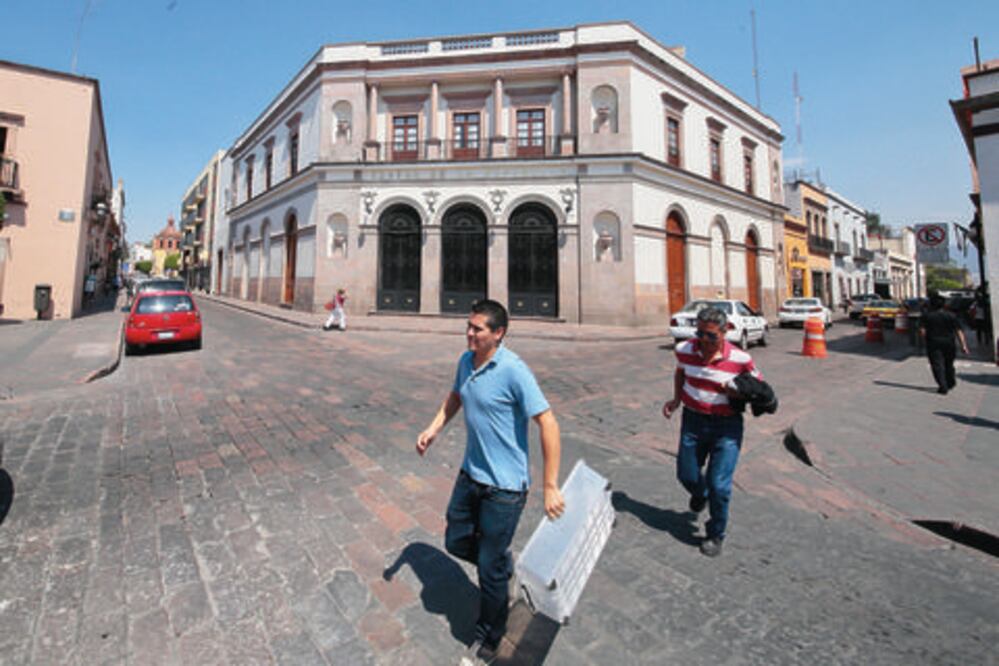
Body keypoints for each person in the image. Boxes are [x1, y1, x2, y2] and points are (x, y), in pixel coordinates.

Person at [416, 299, 565, 660]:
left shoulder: (514, 370)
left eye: (477, 329)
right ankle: (500, 565)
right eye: (468, 326)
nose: (469, 333)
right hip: (471, 476)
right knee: (455, 540)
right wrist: (434, 427)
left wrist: (550, 485)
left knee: (489, 568)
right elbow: (456, 396)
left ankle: (490, 633)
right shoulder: (466, 361)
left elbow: (547, 422)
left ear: (498, 334)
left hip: (505, 489)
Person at [662, 306, 761, 558]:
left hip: (726, 427)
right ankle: (700, 493)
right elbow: (680, 372)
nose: (704, 342)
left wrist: (740, 391)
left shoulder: (740, 359)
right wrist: (676, 401)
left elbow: (758, 387)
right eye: (700, 334)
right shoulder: (684, 350)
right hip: (693, 422)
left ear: (725, 332)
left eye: (711, 336)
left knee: (720, 485)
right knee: (686, 474)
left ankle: (716, 533)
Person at [920, 294, 969, 394]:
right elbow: (959, 331)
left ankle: (943, 386)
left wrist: (925, 339)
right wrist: (963, 345)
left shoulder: (927, 316)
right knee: (949, 364)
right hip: (949, 343)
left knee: (937, 365)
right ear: (944, 305)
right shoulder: (951, 316)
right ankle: (950, 382)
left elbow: (922, 331)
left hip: (933, 343)